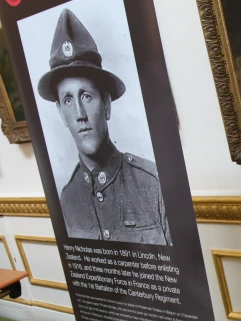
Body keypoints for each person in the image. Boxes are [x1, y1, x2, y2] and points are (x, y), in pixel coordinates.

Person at [37, 9, 171, 245]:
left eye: (87, 96)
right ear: (61, 113)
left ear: (107, 104)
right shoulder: (67, 200)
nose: (80, 114)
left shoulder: (154, 185)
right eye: (68, 100)